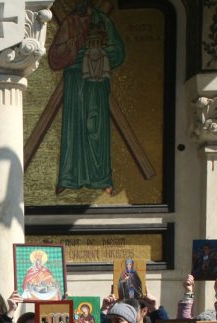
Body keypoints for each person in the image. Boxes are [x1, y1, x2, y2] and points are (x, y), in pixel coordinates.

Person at [47, 0, 125, 193]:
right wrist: (74, 46)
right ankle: (69, 177)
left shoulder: (103, 21)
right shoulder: (69, 23)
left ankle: (101, 178)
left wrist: (97, 54)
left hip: (96, 81)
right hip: (75, 81)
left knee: (95, 126)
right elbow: (55, 57)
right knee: (74, 128)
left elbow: (118, 51)